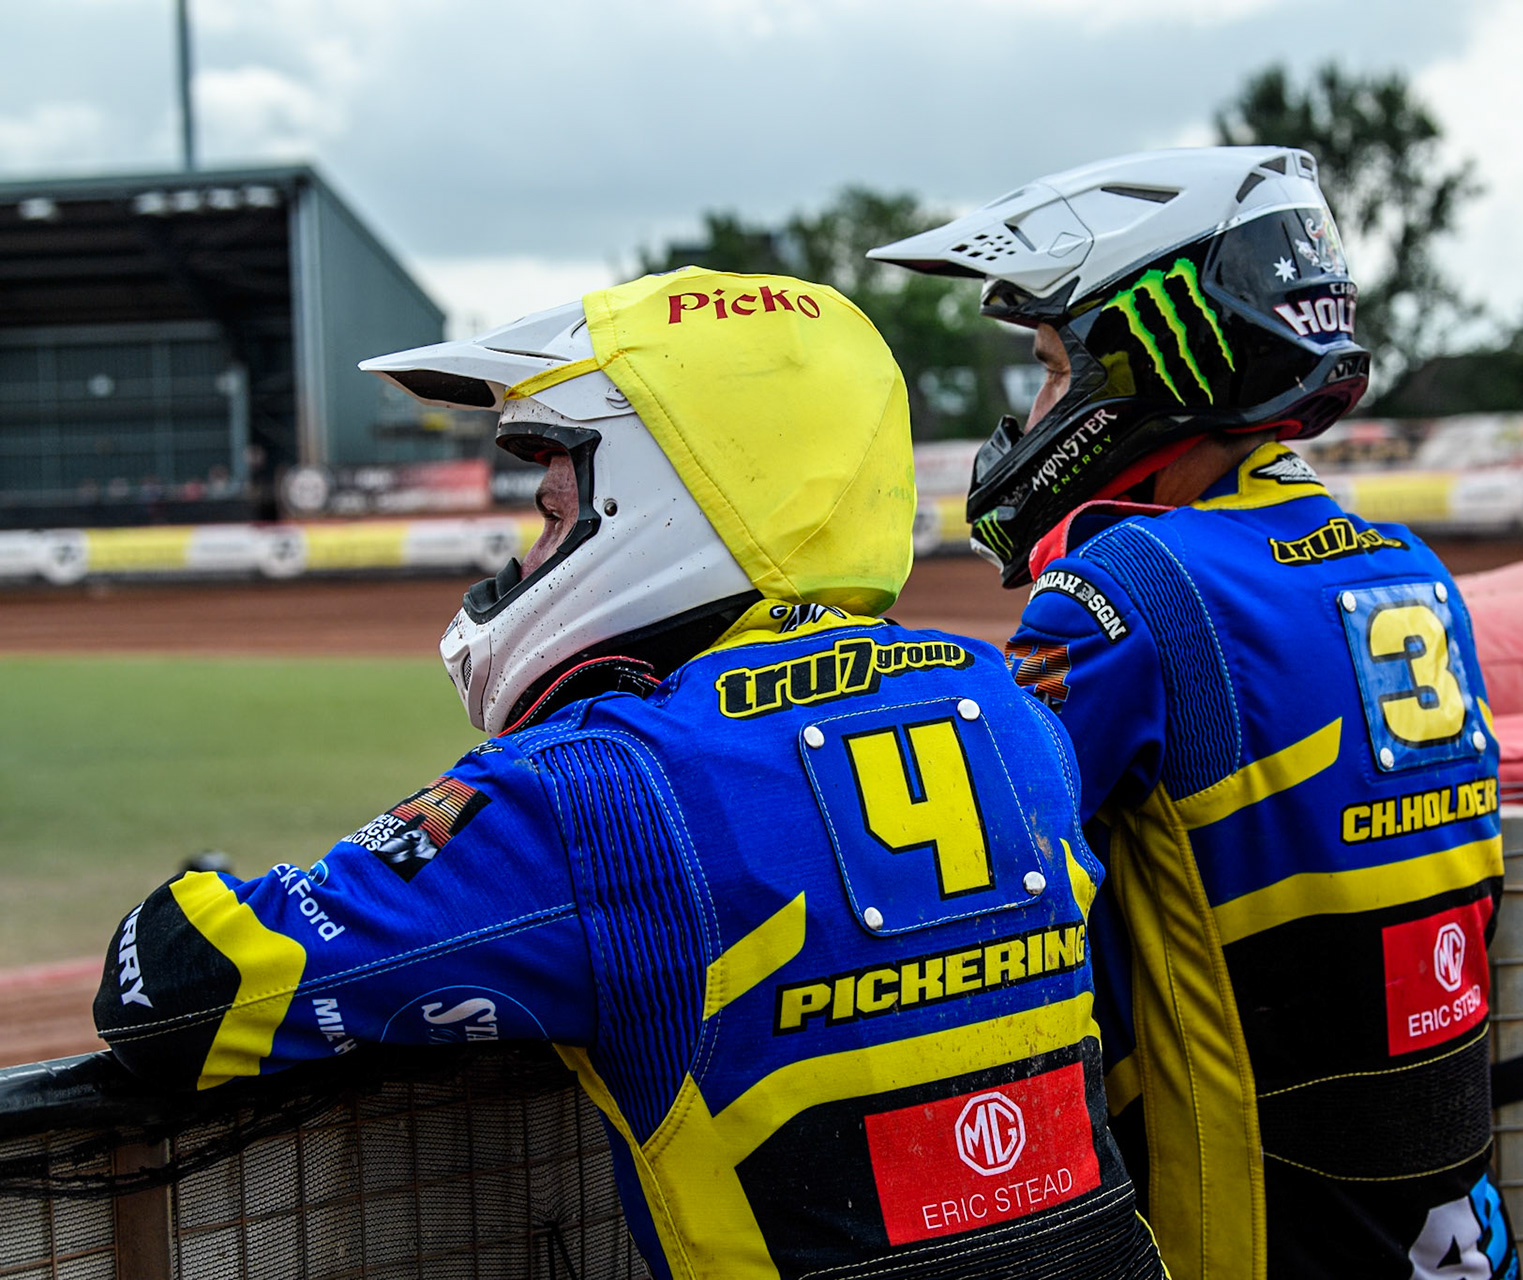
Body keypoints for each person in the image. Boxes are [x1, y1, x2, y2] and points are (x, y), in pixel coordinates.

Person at [92, 268, 1164, 1280]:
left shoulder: (601, 781)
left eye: (553, 509)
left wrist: (194, 887)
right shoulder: (1012, 711)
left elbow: (178, 995)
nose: (529, 552)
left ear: (667, 496)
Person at [872, 149, 1516, 1280]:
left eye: (1049, 365)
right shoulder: (1406, 563)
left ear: (1140, 352)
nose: (1034, 408)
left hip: (1247, 1220)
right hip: (1442, 1212)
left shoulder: (1130, 583)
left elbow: (955, 834)